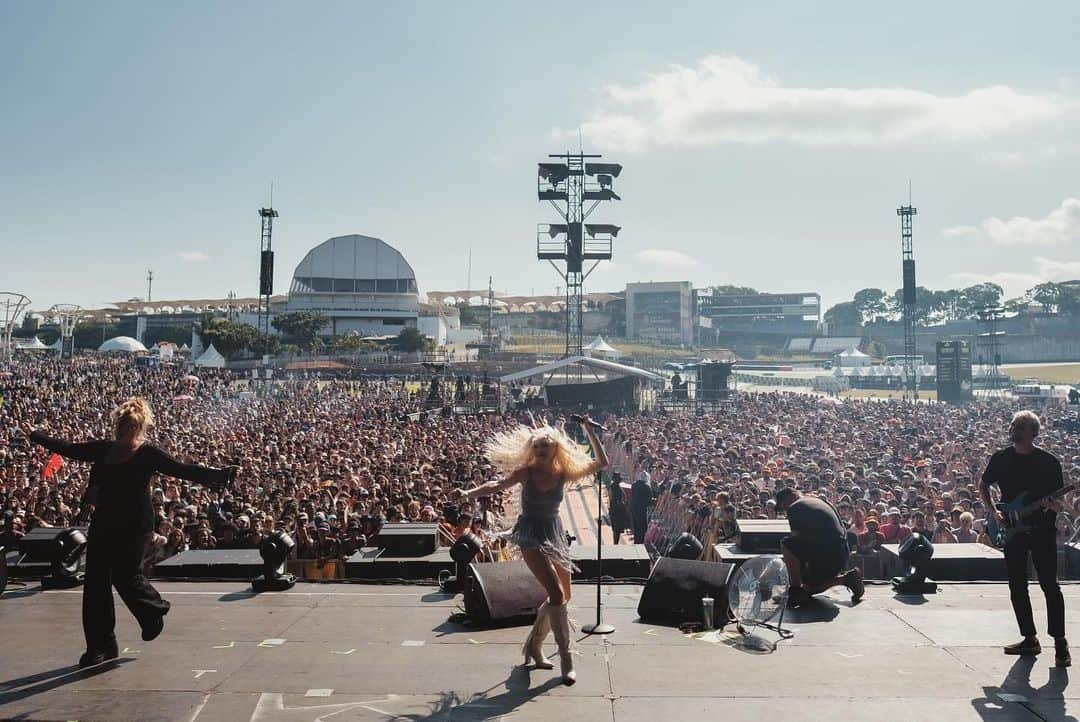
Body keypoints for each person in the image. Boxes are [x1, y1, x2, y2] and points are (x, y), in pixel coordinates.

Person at [29, 397, 238, 668]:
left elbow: (181, 469)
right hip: (105, 521)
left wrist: (219, 475)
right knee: (95, 585)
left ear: (138, 428)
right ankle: (100, 645)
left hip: (136, 525)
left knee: (126, 576)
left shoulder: (148, 453)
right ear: (120, 426)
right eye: (123, 427)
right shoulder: (104, 450)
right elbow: (69, 449)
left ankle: (153, 611)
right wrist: (36, 436)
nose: (125, 432)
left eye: (130, 428)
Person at [453, 417, 607, 685]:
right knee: (556, 593)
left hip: (555, 532)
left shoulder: (563, 472)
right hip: (530, 534)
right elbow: (496, 486)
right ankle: (566, 657)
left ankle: (534, 646)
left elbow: (601, 463)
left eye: (545, 446)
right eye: (536, 447)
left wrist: (589, 431)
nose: (540, 451)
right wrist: (468, 493)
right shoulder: (526, 472)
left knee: (564, 595)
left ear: (555, 448)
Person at [980, 410, 1069, 666]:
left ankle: (1060, 642)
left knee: (1050, 586)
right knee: (1017, 586)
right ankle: (1030, 638)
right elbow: (983, 485)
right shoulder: (1001, 459)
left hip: (1042, 530)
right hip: (1012, 530)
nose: (1013, 430)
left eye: (1020, 426)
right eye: (1012, 425)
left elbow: (1059, 502)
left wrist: (1054, 505)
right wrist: (994, 511)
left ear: (1033, 432)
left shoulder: (1048, 462)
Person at [775, 487, 863, 607]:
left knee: (786, 544)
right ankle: (847, 579)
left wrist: (794, 571)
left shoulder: (795, 507)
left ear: (789, 497)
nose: (785, 510)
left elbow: (795, 541)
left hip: (825, 555)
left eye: (783, 506)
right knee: (809, 588)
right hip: (841, 556)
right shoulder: (820, 501)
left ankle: (796, 590)